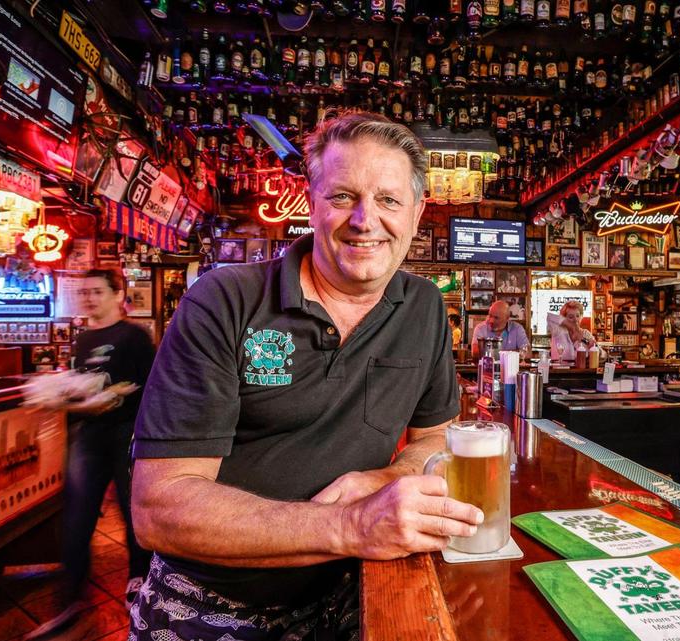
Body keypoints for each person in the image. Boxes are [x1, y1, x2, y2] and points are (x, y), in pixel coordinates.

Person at [128, 111, 483, 641]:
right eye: (343, 196)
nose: (365, 220)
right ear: (311, 204)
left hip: (351, 587)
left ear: (416, 214)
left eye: (388, 199)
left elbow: (435, 438)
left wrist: (385, 479)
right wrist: (352, 526)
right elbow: (159, 507)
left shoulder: (424, 307)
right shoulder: (226, 300)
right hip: (214, 599)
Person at [27, 269, 155, 638]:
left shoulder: (133, 336)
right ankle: (70, 599)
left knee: (134, 516)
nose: (89, 298)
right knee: (77, 516)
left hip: (126, 436)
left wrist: (118, 397)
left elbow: (151, 386)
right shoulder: (83, 338)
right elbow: (82, 385)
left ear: (118, 295)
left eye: (97, 292)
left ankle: (138, 585)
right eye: (84, 292)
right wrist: (64, 397)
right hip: (89, 436)